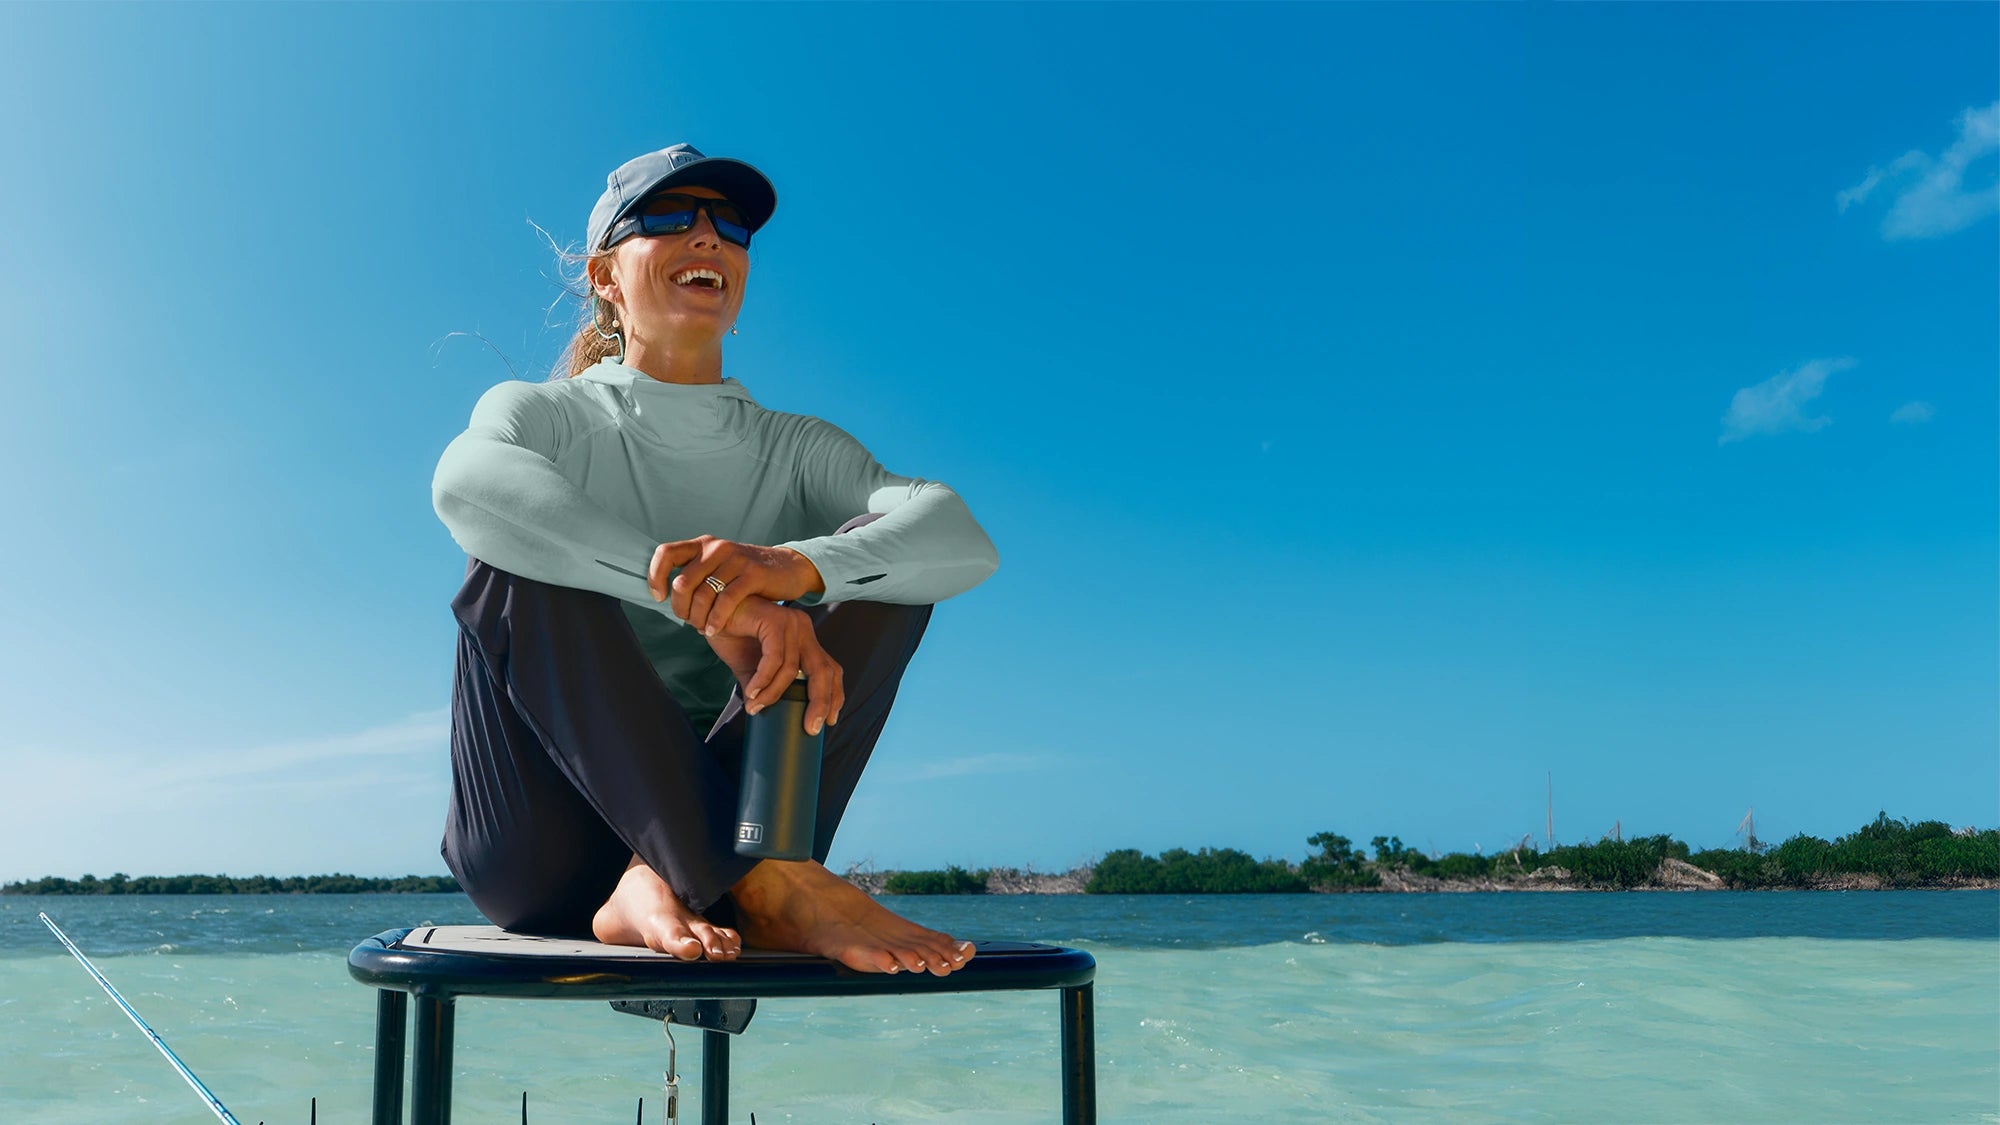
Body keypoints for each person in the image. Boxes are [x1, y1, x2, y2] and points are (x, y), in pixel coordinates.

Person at [430, 144, 998, 977]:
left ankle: (742, 873)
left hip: (746, 839)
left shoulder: (797, 447)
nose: (707, 237)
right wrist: (717, 603)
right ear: (604, 277)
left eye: (727, 225)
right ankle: (739, 874)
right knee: (512, 556)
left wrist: (794, 568)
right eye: (667, 218)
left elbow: (959, 537)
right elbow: (468, 486)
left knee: (886, 563)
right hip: (539, 852)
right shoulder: (544, 416)